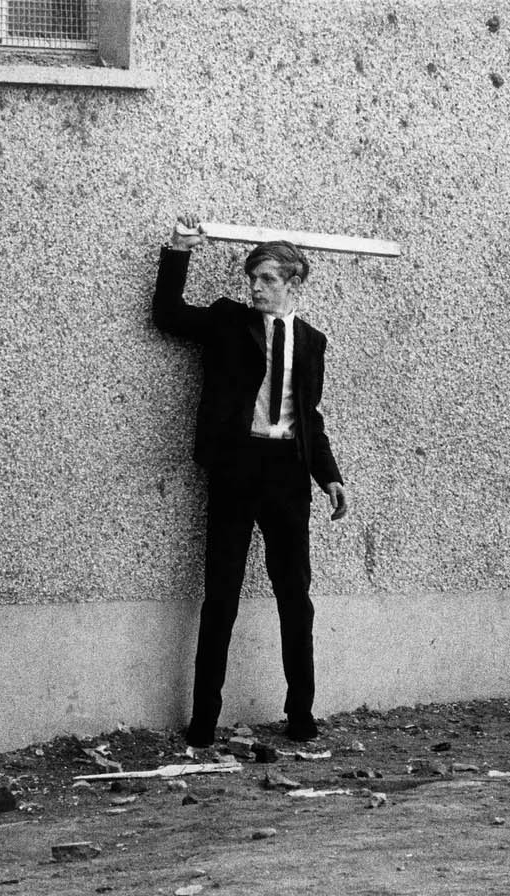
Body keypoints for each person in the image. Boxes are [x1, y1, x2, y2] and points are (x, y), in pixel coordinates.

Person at [152, 215, 350, 748]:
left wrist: (327, 476)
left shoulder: (313, 342)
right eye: (252, 279)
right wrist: (178, 251)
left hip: (288, 474)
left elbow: (309, 415)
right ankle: (202, 723)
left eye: (267, 279)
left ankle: (301, 715)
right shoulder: (226, 321)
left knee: (295, 596)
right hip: (237, 468)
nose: (256, 288)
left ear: (294, 284)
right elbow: (166, 314)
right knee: (222, 594)